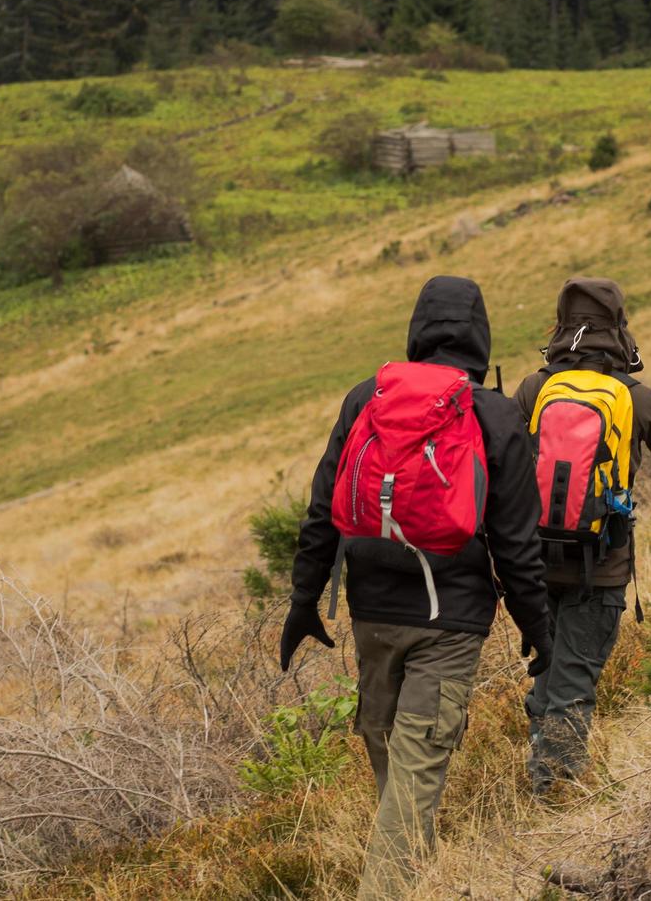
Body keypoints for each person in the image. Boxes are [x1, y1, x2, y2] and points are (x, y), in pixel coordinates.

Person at [279, 275, 553, 900]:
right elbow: (517, 542)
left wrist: (303, 602)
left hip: (372, 614)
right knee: (414, 778)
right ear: (481, 336)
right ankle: (396, 885)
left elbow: (322, 507)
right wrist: (540, 632)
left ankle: (408, 877)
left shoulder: (365, 398)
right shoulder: (494, 413)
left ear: (417, 330)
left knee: (398, 772)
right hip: (451, 621)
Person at [513, 277, 651, 795]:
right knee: (571, 684)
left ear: (562, 326)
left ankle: (537, 784)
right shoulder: (635, 397)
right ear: (618, 328)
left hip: (534, 564)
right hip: (601, 565)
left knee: (547, 676)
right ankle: (554, 795)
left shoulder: (533, 388)